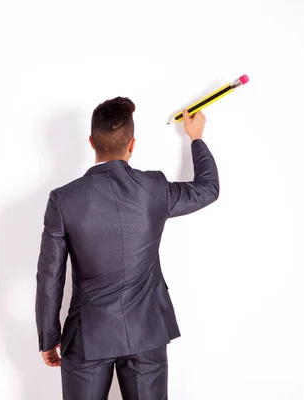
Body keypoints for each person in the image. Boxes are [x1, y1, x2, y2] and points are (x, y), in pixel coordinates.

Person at [35, 97, 219, 400]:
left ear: (92, 142)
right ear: (131, 144)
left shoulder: (63, 200)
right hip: (146, 332)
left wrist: (48, 337)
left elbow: (49, 276)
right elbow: (208, 188)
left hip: (87, 337)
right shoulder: (154, 189)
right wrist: (196, 138)